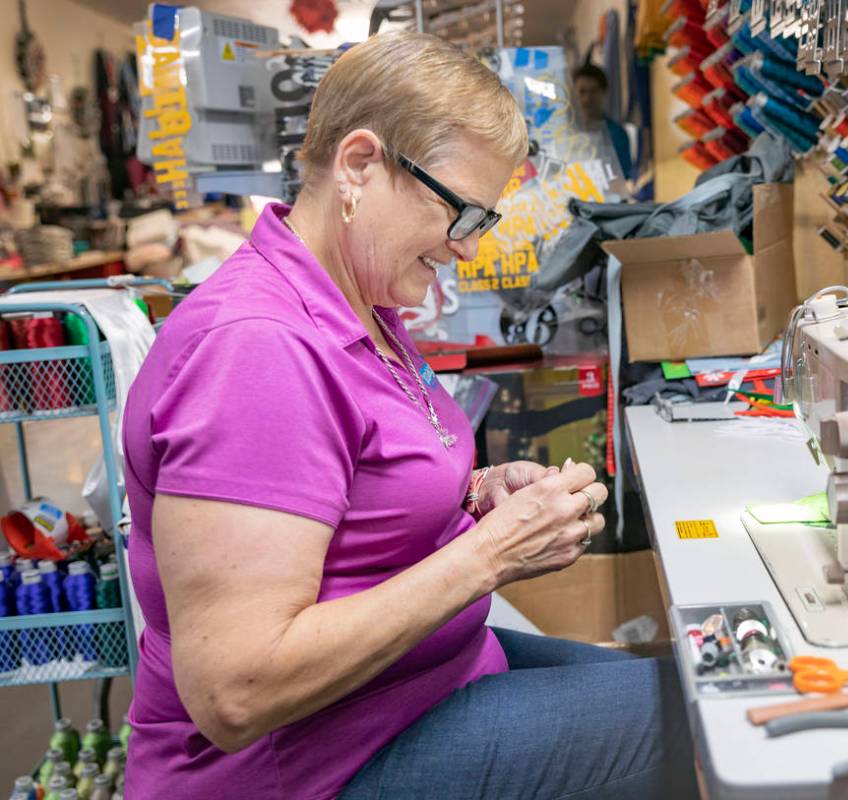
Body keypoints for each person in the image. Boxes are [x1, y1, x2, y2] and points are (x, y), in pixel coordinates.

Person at [121, 31, 697, 800]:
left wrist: (476, 491)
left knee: (701, 680)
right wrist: (490, 554)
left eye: (481, 222)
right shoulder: (256, 350)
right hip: (310, 764)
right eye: (460, 213)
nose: (465, 249)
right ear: (359, 165)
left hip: (422, 683)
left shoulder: (358, 303)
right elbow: (236, 690)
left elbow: (345, 494)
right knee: (718, 721)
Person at [573, 62, 633, 180]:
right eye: (582, 91)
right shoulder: (564, 132)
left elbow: (623, 177)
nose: (587, 98)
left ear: (604, 92)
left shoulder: (617, 135)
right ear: (574, 93)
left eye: (593, 91)